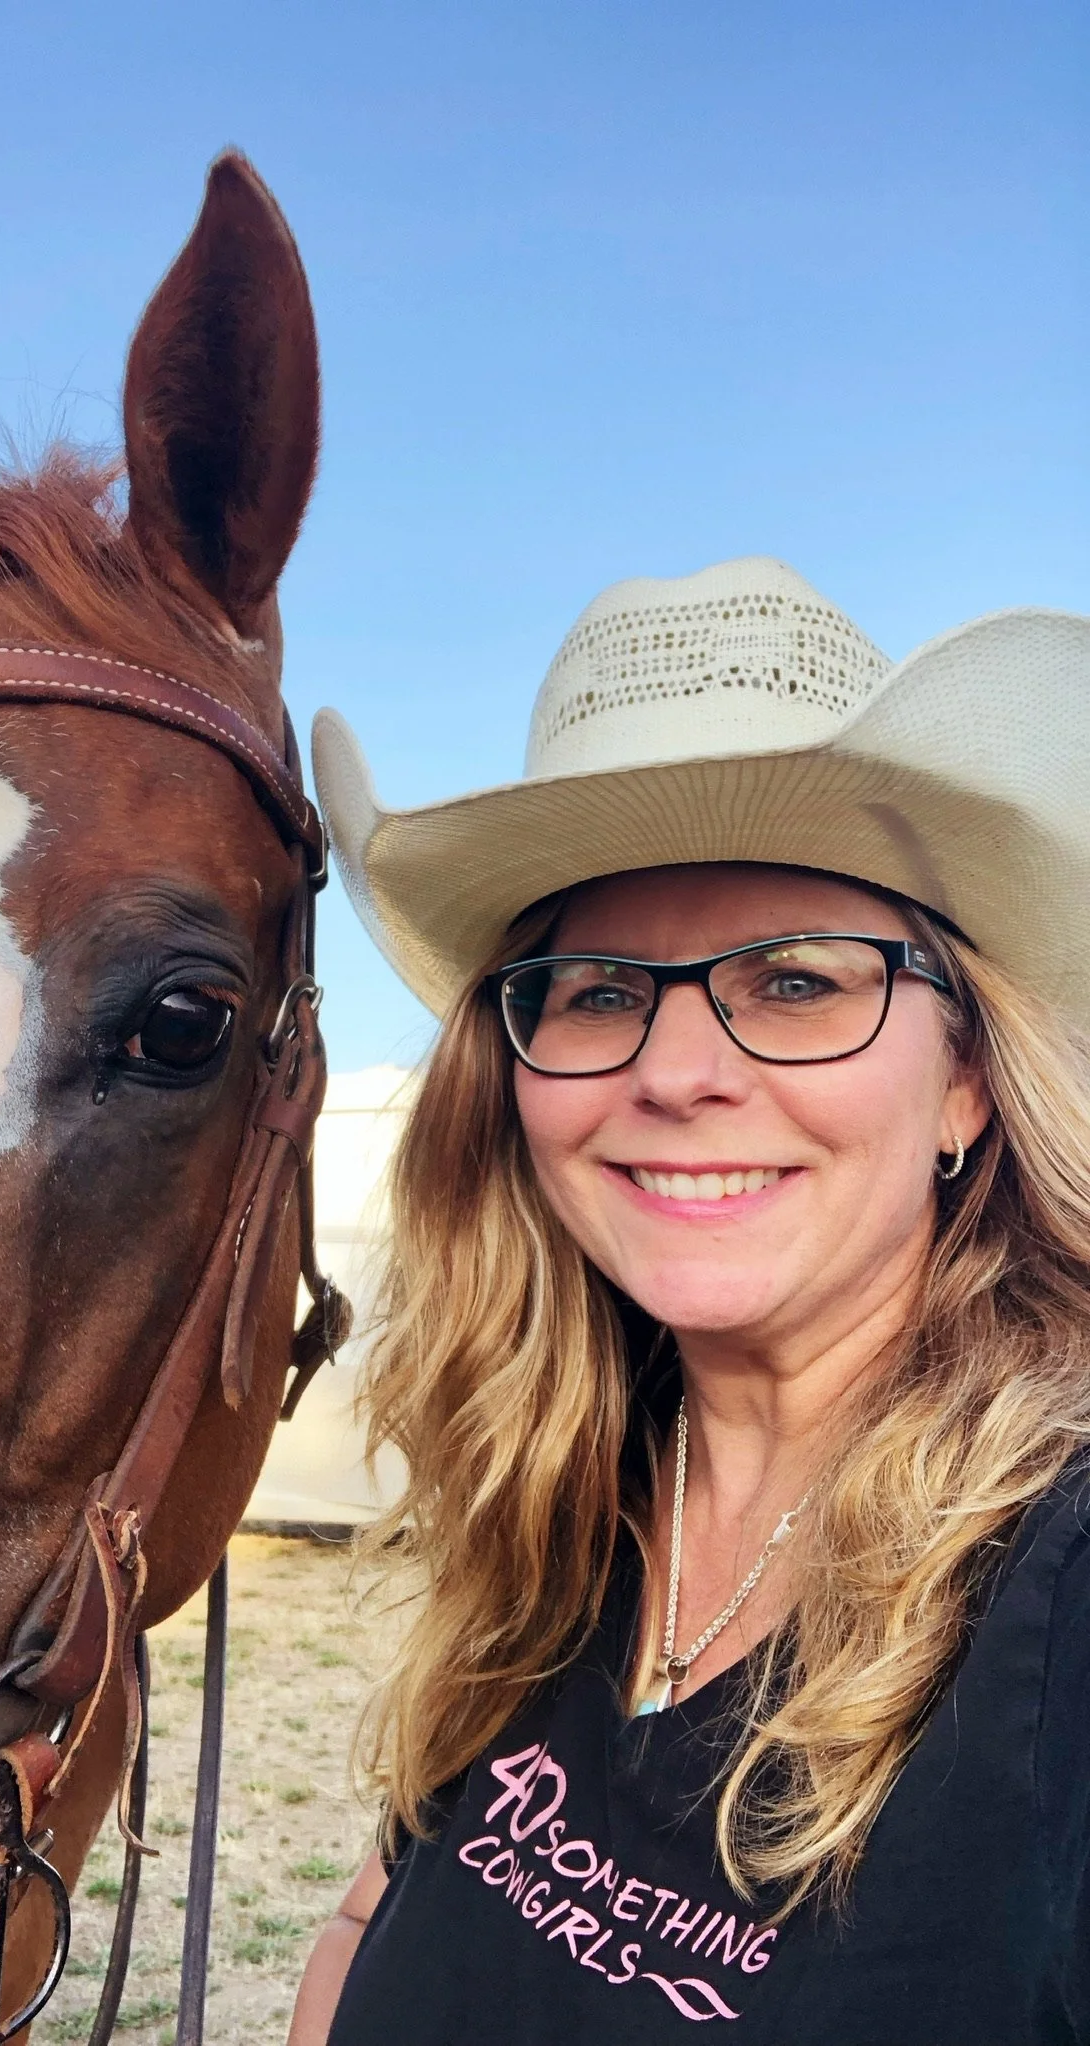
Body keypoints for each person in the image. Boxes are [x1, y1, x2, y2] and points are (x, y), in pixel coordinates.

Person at [288, 559, 1090, 2045]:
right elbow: (378, 1907)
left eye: (793, 980)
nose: (675, 1070)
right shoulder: (562, 1498)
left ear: (966, 1081)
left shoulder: (1058, 1592)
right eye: (598, 987)